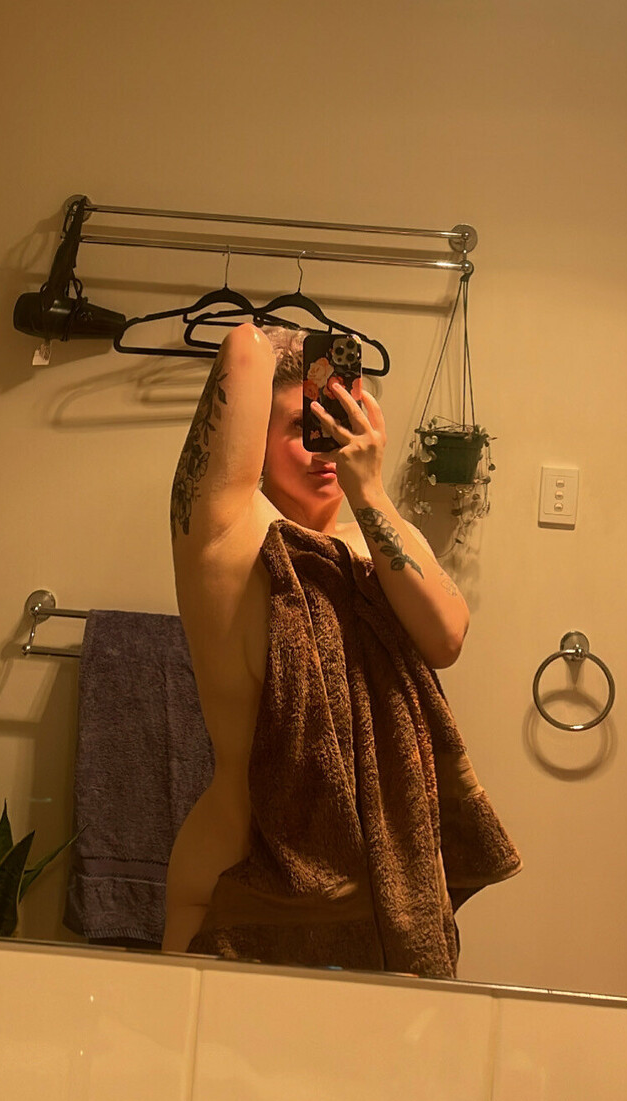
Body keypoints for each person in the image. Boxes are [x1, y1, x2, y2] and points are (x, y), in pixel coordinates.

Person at [163, 322, 518, 969]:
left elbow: (446, 636)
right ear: (256, 440)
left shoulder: (379, 537)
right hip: (241, 880)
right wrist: (291, 347)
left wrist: (369, 486)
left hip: (389, 896)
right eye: (304, 426)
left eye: (340, 419)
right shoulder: (228, 532)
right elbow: (242, 349)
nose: (325, 444)